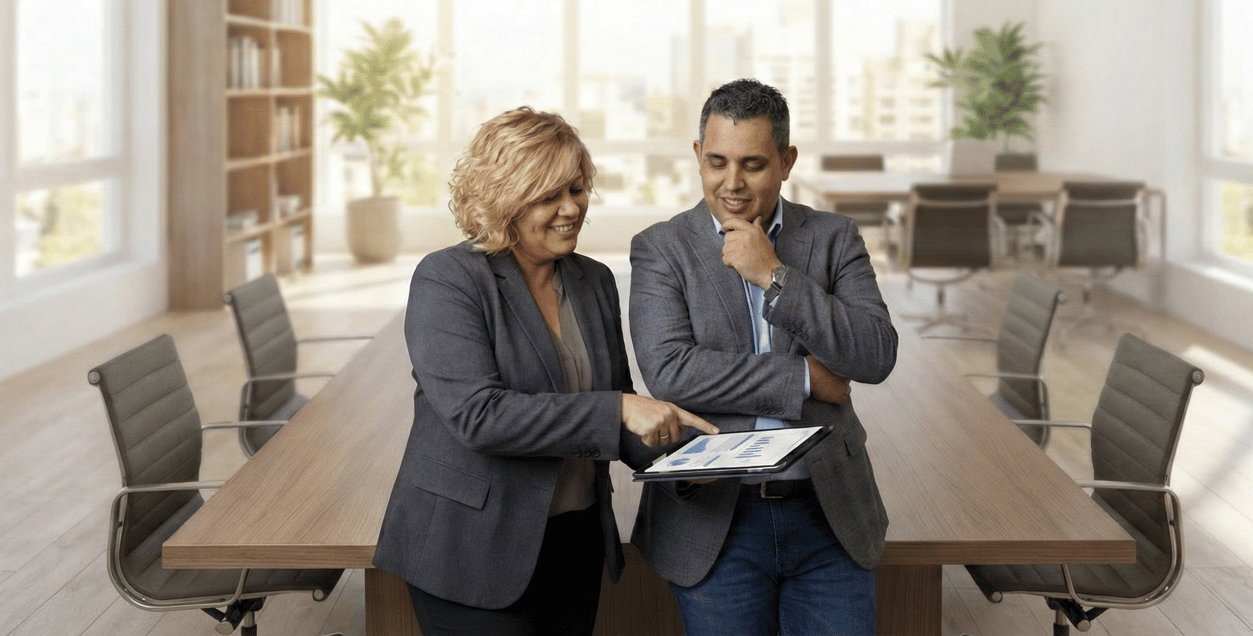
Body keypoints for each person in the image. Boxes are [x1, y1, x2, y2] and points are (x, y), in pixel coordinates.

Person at [373, 107, 717, 636]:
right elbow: (479, 417)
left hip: (573, 542)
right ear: (503, 198)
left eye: (577, 190)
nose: (570, 209)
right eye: (547, 196)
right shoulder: (448, 279)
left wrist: (691, 454)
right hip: (472, 551)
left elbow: (614, 405)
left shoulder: (593, 281)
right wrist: (621, 409)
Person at [628, 79, 899, 635]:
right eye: (717, 162)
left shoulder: (833, 238)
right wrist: (804, 377)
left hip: (828, 512)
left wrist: (775, 277)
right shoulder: (660, 248)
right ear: (698, 157)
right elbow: (672, 370)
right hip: (714, 519)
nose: (732, 184)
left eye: (752, 164)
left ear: (786, 161)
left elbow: (875, 355)